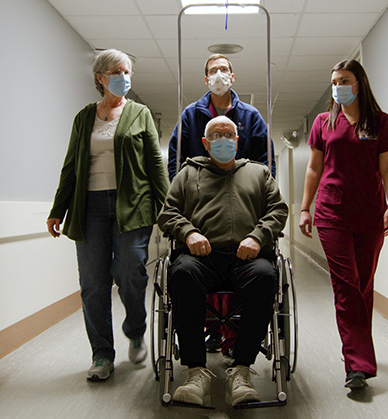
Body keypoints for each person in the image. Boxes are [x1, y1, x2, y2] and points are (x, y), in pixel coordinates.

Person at [47, 49, 169, 382]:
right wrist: (58, 209)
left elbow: (155, 165)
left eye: (127, 71)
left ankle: (135, 329)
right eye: (116, 71)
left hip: (133, 204)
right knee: (93, 284)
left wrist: (169, 209)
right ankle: (102, 354)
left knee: (131, 271)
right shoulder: (84, 117)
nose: (124, 77)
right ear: (100, 77)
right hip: (89, 207)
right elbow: (71, 165)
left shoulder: (140, 113)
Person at [158, 116, 288, 406]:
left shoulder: (259, 173)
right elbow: (167, 213)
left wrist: (257, 236)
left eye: (229, 134)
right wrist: (188, 232)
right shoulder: (188, 174)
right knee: (182, 274)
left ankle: (241, 369)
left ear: (238, 140)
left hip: (248, 257)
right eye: (216, 135)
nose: (223, 139)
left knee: (266, 277)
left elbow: (278, 210)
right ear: (205, 143)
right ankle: (195, 372)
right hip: (201, 259)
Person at [298, 59, 388, 391]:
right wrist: (304, 208)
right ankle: (357, 365)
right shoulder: (323, 123)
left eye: (344, 80)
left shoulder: (382, 122)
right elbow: (313, 169)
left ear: (359, 83)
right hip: (332, 213)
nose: (338, 86)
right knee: (346, 284)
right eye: (334, 81)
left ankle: (359, 354)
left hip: (370, 214)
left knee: (363, 285)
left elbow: (387, 166)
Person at [167, 53, 275, 354]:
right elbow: (175, 166)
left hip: (244, 214)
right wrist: (189, 201)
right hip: (200, 218)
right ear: (205, 79)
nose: (218, 74)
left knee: (260, 274)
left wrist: (258, 213)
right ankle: (200, 354)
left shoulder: (251, 117)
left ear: (233, 75)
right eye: (212, 70)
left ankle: (238, 349)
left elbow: (268, 166)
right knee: (190, 270)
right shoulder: (191, 115)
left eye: (224, 69)